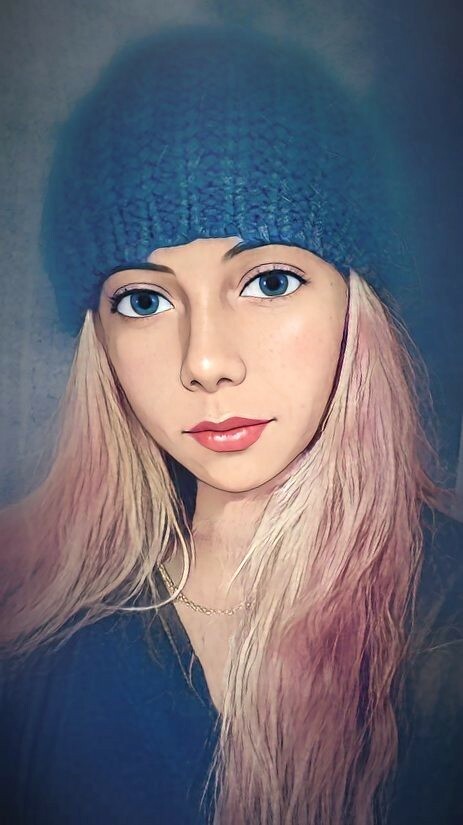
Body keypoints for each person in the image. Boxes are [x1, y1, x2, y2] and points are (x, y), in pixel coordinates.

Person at [0, 22, 462, 825]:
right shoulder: (33, 624)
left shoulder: (443, 621)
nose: (205, 361)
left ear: (356, 306)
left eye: (269, 281)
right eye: (143, 299)